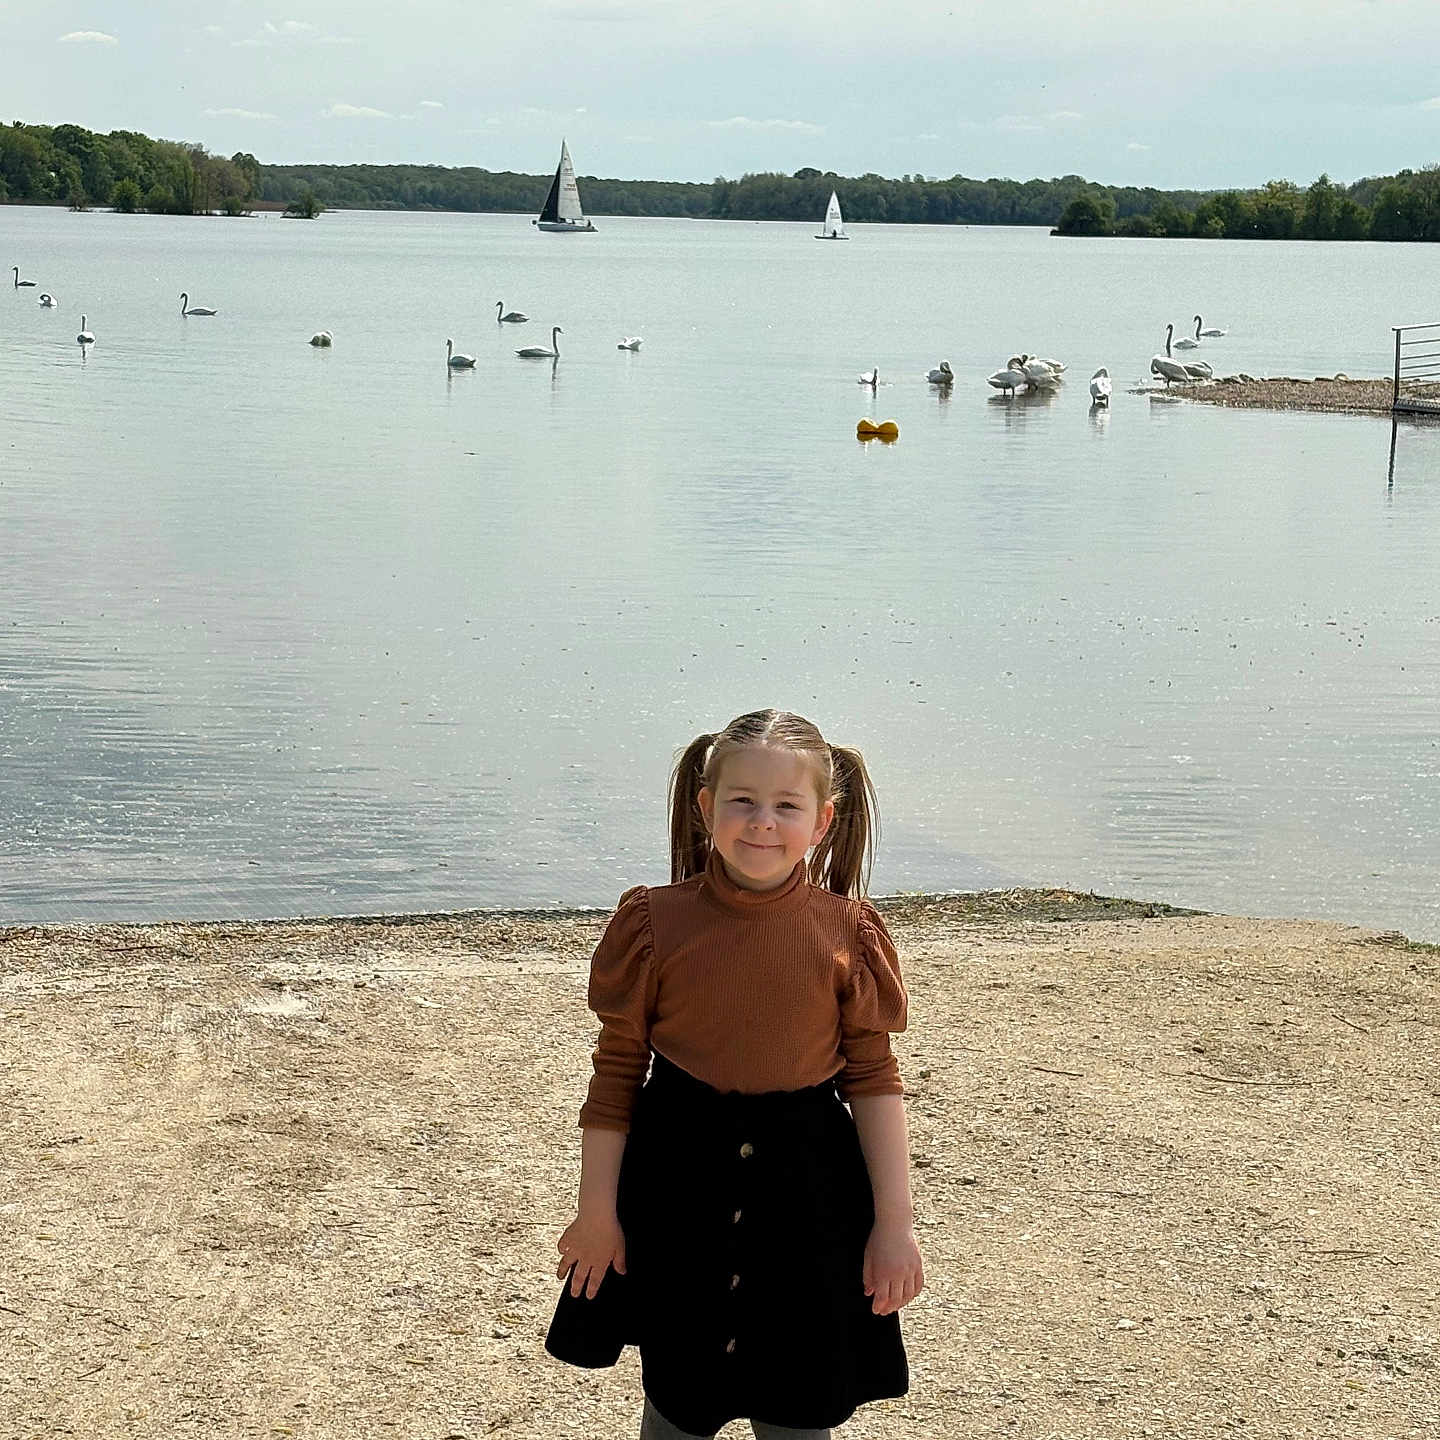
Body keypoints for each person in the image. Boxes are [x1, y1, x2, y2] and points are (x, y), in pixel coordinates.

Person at [545, 709, 924, 1439]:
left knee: (802, 1403)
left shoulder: (848, 931)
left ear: (822, 822)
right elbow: (617, 1074)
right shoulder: (653, 924)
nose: (762, 823)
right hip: (676, 1182)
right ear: (705, 807)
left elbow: (874, 1080)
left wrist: (894, 1226)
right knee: (681, 1401)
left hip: (811, 1193)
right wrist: (597, 1213)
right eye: (742, 801)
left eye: (787, 806)